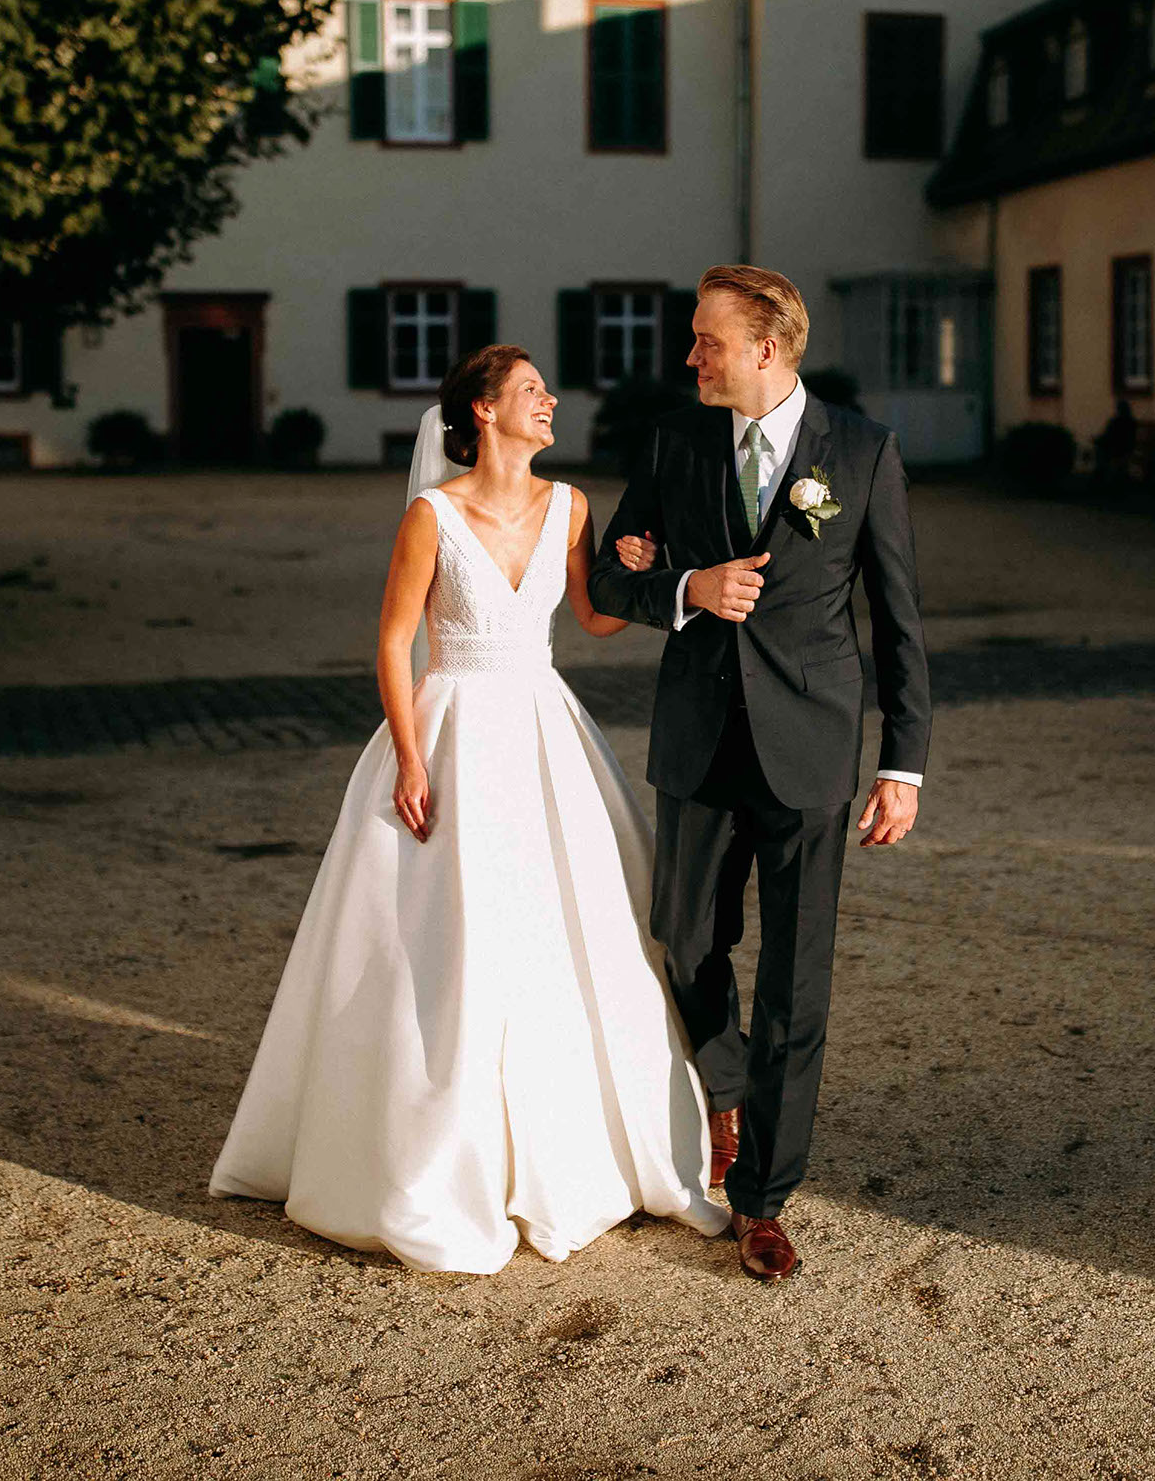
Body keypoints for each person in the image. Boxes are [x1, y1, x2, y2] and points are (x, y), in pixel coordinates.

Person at [207, 345, 728, 1273]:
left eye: (545, 391)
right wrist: (410, 757)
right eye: (531, 391)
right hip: (452, 726)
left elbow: (595, 617)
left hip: (543, 729)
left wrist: (637, 567)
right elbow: (396, 638)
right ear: (483, 412)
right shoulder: (431, 516)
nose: (550, 401)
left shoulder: (570, 507)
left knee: (576, 928)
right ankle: (438, 1156)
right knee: (453, 940)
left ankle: (586, 1150)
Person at [588, 264, 932, 1282]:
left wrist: (902, 762)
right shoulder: (675, 440)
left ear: (766, 349)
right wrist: (686, 585)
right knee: (683, 933)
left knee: (796, 976)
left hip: (813, 748)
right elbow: (610, 578)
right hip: (697, 736)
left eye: (706, 339)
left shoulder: (862, 452)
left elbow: (899, 619)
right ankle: (725, 1084)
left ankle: (763, 1197)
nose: (689, 355)